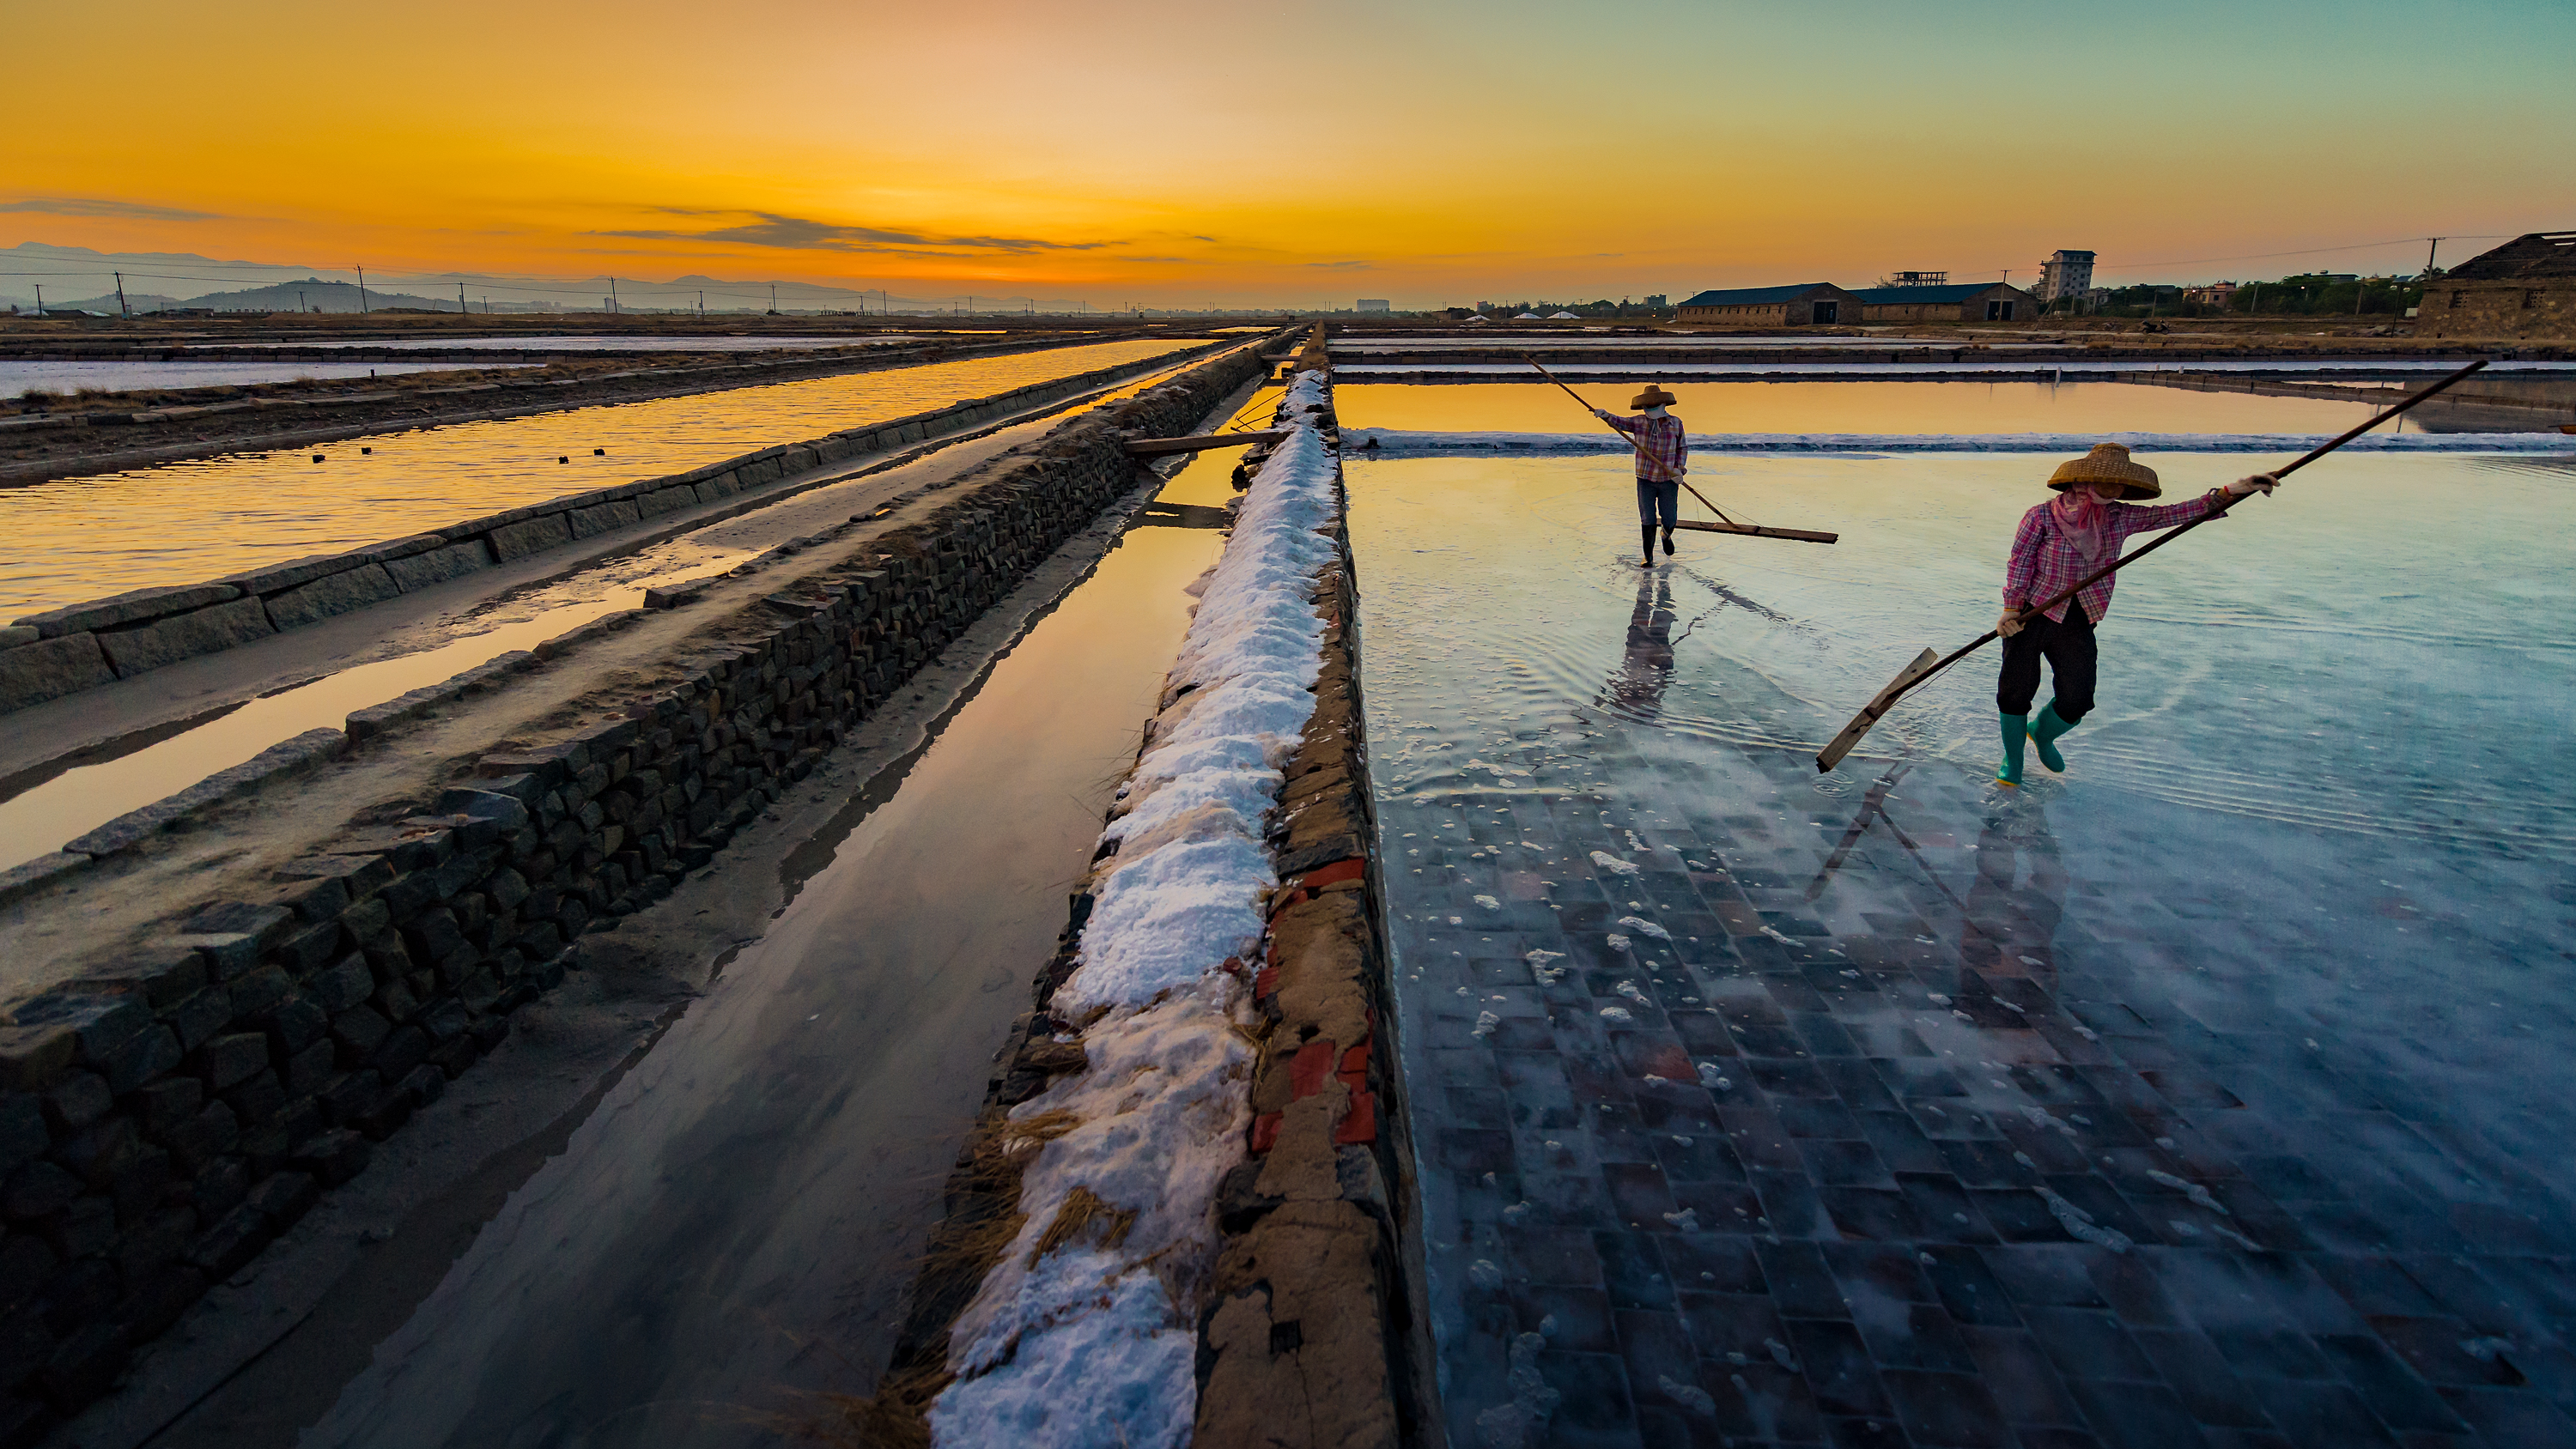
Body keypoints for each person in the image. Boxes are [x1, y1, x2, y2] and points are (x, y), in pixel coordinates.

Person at [1994, 443, 2278, 786]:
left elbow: (2176, 513)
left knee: (2078, 699)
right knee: (2015, 691)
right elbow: (2020, 562)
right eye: (2106, 479)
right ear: (2082, 478)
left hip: (2080, 615)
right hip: (2032, 612)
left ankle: (2041, 733)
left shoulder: (2120, 516)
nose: (2114, 487)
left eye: (2119, 482)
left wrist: (2234, 491)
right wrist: (2012, 607)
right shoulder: (2040, 515)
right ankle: (2014, 757)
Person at [1593, 385, 1685, 567]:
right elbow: (1619, 422)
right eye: (1647, 405)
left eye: (1653, 404)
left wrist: (1679, 469)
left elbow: (1682, 447)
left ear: (1663, 403)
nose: (1650, 408)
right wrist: (1606, 416)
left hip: (1669, 479)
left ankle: (1666, 534)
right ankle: (1648, 557)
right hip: (1645, 478)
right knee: (1647, 518)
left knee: (1670, 518)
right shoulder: (1639, 422)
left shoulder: (1675, 422)